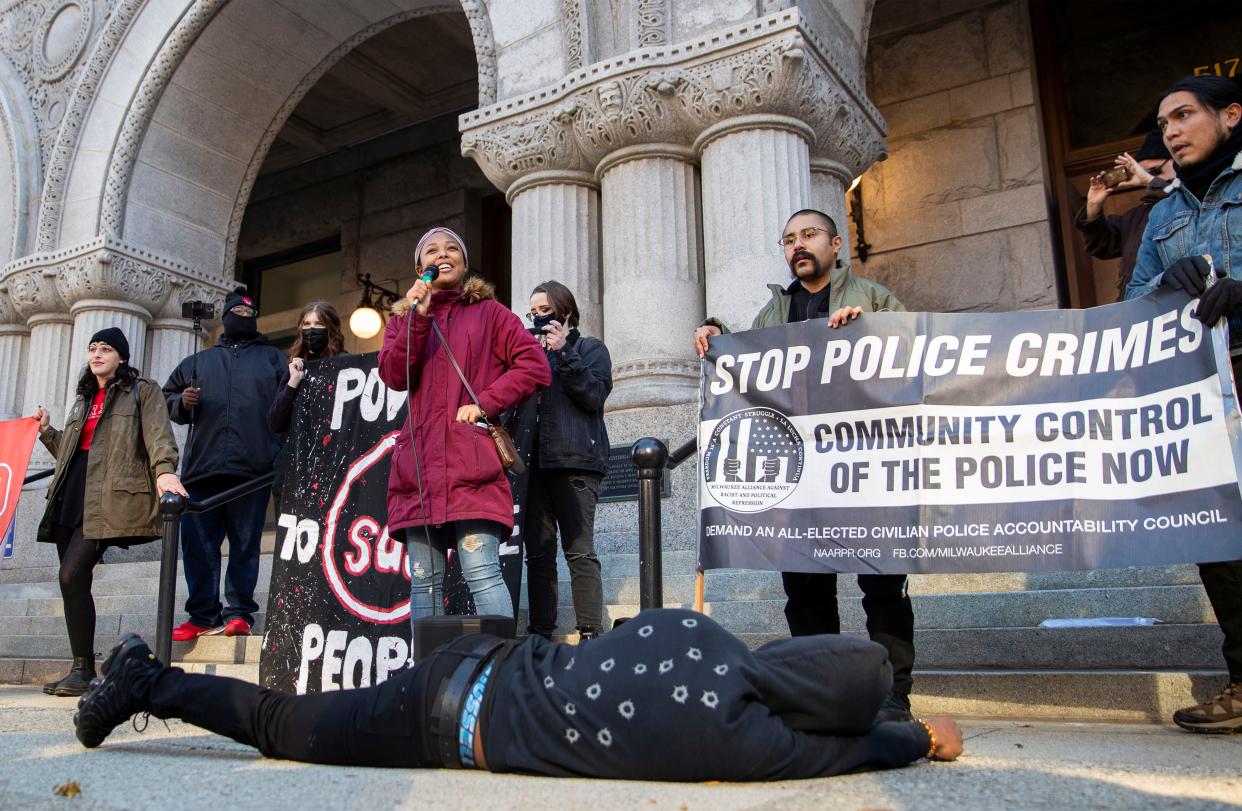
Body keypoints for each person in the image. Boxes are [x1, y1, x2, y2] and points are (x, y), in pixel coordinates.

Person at [71, 609, 963, 779]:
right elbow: (841, 751)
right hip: (444, 724)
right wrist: (913, 737)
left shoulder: (701, 635)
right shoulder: (737, 742)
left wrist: (902, 726)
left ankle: (148, 678)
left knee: (291, 714)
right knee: (277, 726)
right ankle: (145, 679)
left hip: (476, 664)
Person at [693, 209, 916, 722]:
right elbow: (750, 371)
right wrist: (718, 334)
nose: (799, 245)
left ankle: (892, 694)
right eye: (789, 239)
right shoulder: (773, 314)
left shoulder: (873, 298)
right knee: (805, 587)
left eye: (809, 235)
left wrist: (872, 330)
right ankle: (824, 688)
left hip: (864, 466)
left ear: (837, 245)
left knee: (881, 583)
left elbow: (913, 350)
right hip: (799, 470)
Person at [1124, 75, 1242, 734]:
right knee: (1222, 538)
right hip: (1206, 392)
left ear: (1230, 115)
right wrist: (1166, 286)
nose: (1170, 129)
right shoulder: (1164, 214)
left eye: (1184, 115)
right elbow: (1137, 295)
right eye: (1164, 120)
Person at [377, 227, 550, 630]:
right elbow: (393, 374)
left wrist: (484, 403)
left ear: (465, 262)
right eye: (432, 251)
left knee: (482, 572)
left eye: (452, 248)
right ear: (420, 267)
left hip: (471, 464)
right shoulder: (402, 319)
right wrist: (416, 318)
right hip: (417, 468)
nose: (443, 255)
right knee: (425, 583)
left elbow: (535, 366)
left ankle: (500, 669)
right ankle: (429, 678)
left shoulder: (490, 313)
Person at [28, 327, 186, 697]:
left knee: (70, 575)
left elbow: (158, 435)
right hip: (71, 493)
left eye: (106, 349)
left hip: (106, 498)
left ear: (122, 357)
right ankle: (80, 668)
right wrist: (48, 431)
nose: (96, 354)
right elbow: (70, 451)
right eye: (93, 348)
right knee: (75, 583)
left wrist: (165, 471)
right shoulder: (83, 398)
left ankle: (83, 668)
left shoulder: (141, 391)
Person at [162, 287, 287, 641]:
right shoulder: (198, 362)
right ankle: (202, 615)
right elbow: (166, 398)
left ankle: (239, 613)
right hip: (202, 470)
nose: (243, 320)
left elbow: (291, 405)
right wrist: (182, 404)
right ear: (226, 317)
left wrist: (275, 452)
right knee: (197, 545)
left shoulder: (273, 359)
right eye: (238, 315)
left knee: (245, 544)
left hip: (253, 472)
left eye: (250, 316)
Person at [510, 281, 612, 641]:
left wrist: (565, 352)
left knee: (579, 551)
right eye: (532, 312)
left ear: (565, 311)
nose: (537, 317)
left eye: (544, 310)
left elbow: (593, 395)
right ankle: (540, 632)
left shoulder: (590, 348)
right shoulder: (530, 356)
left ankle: (590, 632)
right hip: (534, 467)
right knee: (537, 555)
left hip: (575, 463)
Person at [1073, 129, 1176, 299]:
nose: (1146, 178)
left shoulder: (1192, 197)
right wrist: (1093, 206)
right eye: (1143, 172)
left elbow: (1186, 208)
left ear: (1176, 163)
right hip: (1139, 310)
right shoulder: (1136, 217)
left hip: (1180, 304)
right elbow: (1103, 244)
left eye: (1155, 171)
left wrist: (1152, 182)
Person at [267, 301, 346, 509]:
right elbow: (275, 422)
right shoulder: (294, 367)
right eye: (307, 323)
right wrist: (293, 382)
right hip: (293, 468)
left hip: (332, 464)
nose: (311, 329)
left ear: (331, 328)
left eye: (318, 324)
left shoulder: (345, 364)